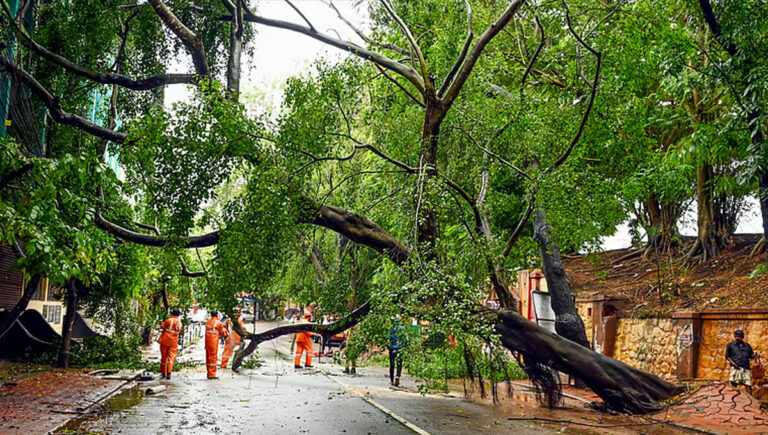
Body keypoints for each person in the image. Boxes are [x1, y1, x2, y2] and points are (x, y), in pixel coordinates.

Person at [726, 329, 759, 395]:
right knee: (733, 384)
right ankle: (731, 401)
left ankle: (751, 401)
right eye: (736, 336)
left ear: (743, 337)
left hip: (746, 368)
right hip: (735, 368)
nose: (737, 338)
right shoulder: (730, 345)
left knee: (748, 385)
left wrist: (755, 355)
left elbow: (751, 356)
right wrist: (733, 364)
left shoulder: (747, 346)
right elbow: (727, 356)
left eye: (739, 336)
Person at [158, 308, 183, 380]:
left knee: (164, 357)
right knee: (171, 357)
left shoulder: (168, 320)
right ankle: (169, 373)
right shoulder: (179, 322)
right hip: (173, 342)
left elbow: (162, 326)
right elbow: (179, 330)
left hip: (165, 340)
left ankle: (163, 372)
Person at [205, 311, 228, 379]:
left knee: (208, 357)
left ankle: (208, 373)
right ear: (217, 315)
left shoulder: (208, 321)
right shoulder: (218, 323)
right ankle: (212, 374)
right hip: (213, 342)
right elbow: (224, 333)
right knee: (213, 357)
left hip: (207, 341)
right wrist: (225, 328)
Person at [389, 322, 406, 386]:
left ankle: (391, 380)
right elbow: (405, 338)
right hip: (400, 348)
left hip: (392, 348)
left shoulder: (391, 328)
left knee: (392, 364)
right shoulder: (402, 328)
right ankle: (397, 376)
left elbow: (388, 337)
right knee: (399, 363)